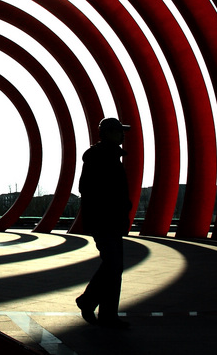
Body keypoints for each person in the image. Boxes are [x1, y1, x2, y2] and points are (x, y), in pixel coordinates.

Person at [75, 117, 132, 329]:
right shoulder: (99, 157)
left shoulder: (110, 156)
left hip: (111, 220)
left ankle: (106, 314)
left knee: (115, 266)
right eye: (119, 131)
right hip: (104, 220)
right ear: (107, 133)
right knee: (113, 265)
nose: (123, 134)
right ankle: (90, 302)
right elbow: (87, 189)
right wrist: (112, 208)